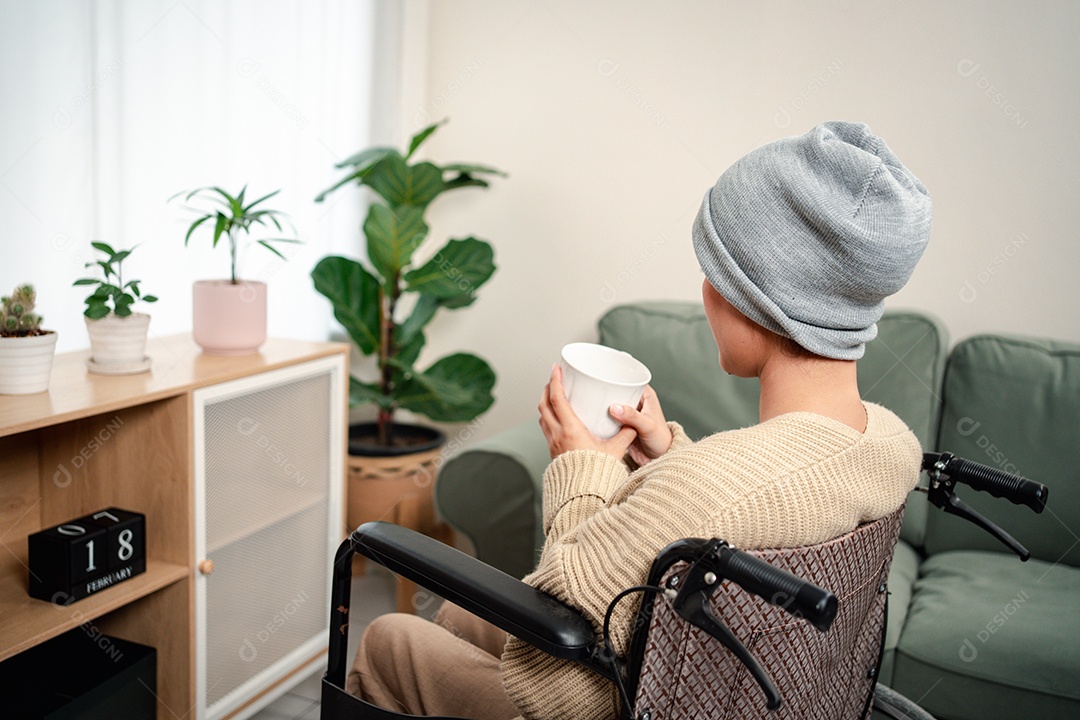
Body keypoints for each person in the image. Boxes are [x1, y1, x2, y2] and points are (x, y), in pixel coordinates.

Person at [347, 120, 932, 720]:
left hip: (621, 704)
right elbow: (754, 511)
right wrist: (668, 459)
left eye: (717, 270)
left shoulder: (707, 492)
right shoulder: (891, 444)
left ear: (754, 296)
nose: (706, 290)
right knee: (460, 614)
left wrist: (579, 468)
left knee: (391, 640)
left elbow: (553, 684)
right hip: (734, 698)